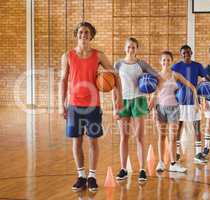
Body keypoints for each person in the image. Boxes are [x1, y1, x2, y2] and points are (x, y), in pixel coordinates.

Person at [59, 22, 122, 192]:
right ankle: (81, 176)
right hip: (74, 105)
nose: (83, 35)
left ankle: (92, 176)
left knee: (93, 141)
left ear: (91, 35)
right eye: (80, 32)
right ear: (76, 34)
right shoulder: (68, 55)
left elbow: (116, 76)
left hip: (93, 106)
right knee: (76, 141)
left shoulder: (98, 55)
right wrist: (61, 104)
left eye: (87, 32)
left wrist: (119, 100)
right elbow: (63, 81)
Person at [114, 37, 160, 182]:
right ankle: (123, 169)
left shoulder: (142, 64)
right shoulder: (118, 64)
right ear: (124, 48)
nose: (131, 49)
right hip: (123, 101)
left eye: (133, 47)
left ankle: (142, 169)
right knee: (124, 137)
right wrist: (115, 106)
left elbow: (159, 78)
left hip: (139, 100)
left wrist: (153, 97)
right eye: (128, 47)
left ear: (137, 49)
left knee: (140, 137)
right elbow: (114, 87)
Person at [149, 51, 199, 173]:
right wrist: (153, 110)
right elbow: (153, 94)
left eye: (168, 60)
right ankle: (161, 163)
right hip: (160, 108)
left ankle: (173, 164)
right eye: (164, 60)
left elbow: (191, 86)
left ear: (171, 62)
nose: (166, 62)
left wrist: (197, 102)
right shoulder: (157, 76)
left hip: (174, 109)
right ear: (160, 62)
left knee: (172, 137)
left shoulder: (175, 75)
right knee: (162, 136)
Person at [172, 45, 207, 164]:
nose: (186, 54)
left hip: (194, 101)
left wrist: (205, 88)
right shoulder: (176, 66)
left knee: (197, 126)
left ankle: (198, 153)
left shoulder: (197, 66)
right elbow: (171, 82)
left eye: (188, 52)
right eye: (183, 52)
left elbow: (206, 78)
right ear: (180, 54)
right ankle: (176, 152)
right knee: (179, 126)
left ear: (191, 52)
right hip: (180, 101)